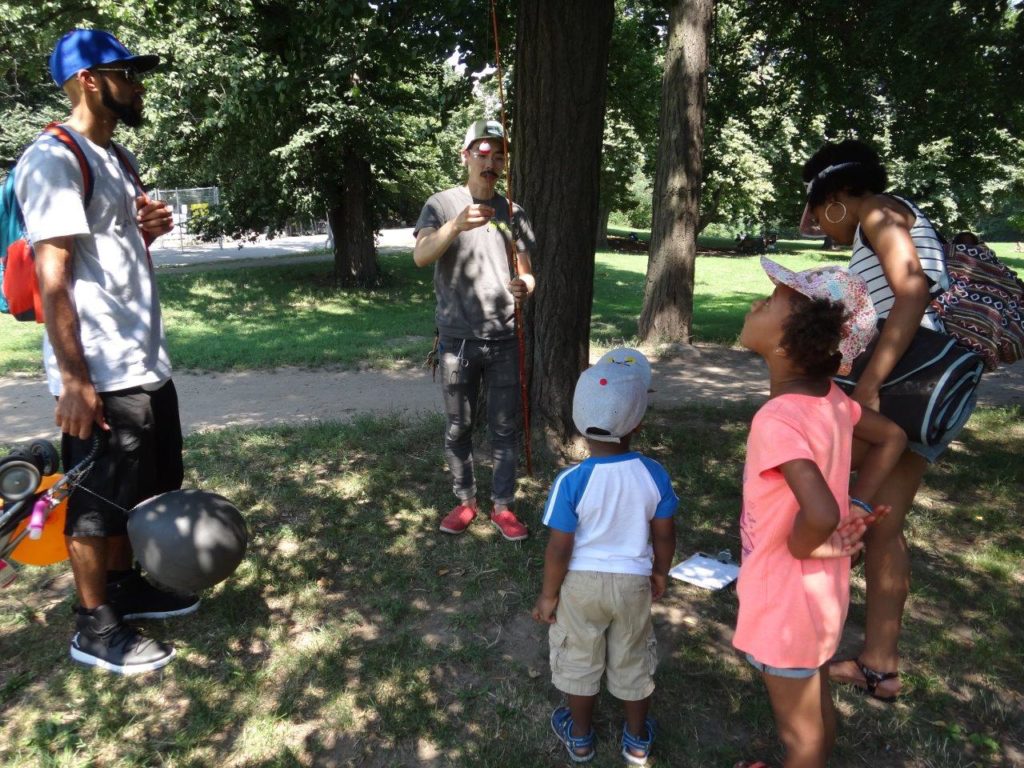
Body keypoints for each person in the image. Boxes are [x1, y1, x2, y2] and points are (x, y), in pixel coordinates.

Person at [15, 29, 197, 674]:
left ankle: (124, 590)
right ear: (91, 80)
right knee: (96, 502)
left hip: (143, 360)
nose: (138, 83)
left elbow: (108, 258)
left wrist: (142, 230)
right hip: (101, 370)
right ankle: (93, 624)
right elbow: (53, 277)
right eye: (128, 72)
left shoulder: (114, 157)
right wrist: (73, 380)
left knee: (141, 489)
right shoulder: (52, 159)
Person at [799, 139, 971, 701]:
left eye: (818, 207)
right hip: (933, 391)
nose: (818, 225)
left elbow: (913, 290)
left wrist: (870, 383)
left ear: (837, 195)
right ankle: (879, 667)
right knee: (884, 526)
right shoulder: (892, 213)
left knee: (859, 517)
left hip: (906, 385)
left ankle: (824, 647)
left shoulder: (876, 211)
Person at [732, 258, 907, 768]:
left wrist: (807, 539)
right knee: (815, 704)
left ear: (787, 345)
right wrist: (858, 501)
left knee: (802, 737)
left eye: (769, 303)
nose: (754, 305)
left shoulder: (778, 418)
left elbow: (819, 512)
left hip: (784, 603)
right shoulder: (830, 399)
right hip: (820, 598)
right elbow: (891, 436)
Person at [532, 350, 677, 766]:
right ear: (638, 422)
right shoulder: (654, 474)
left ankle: (580, 737)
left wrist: (548, 595)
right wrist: (660, 572)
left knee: (579, 656)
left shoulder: (571, 480)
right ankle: (635, 740)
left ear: (580, 420)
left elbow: (559, 546)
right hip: (633, 584)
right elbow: (664, 534)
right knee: (632, 657)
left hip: (580, 586)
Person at [412, 119, 536, 541]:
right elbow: (421, 256)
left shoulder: (513, 212)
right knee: (458, 426)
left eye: (499, 154)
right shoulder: (441, 205)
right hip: (456, 341)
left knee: (504, 428)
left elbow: (528, 274)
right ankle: (465, 502)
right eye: (483, 152)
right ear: (465, 156)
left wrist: (525, 286)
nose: (491, 161)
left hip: (504, 338)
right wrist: (456, 225)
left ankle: (504, 507)